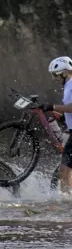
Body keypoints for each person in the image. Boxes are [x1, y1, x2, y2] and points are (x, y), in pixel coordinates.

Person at [40, 56, 72, 194]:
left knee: (64, 170)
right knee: (67, 169)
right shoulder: (67, 86)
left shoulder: (71, 85)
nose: (54, 78)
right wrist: (61, 116)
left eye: (56, 75)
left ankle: (67, 202)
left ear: (65, 73)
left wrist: (52, 106)